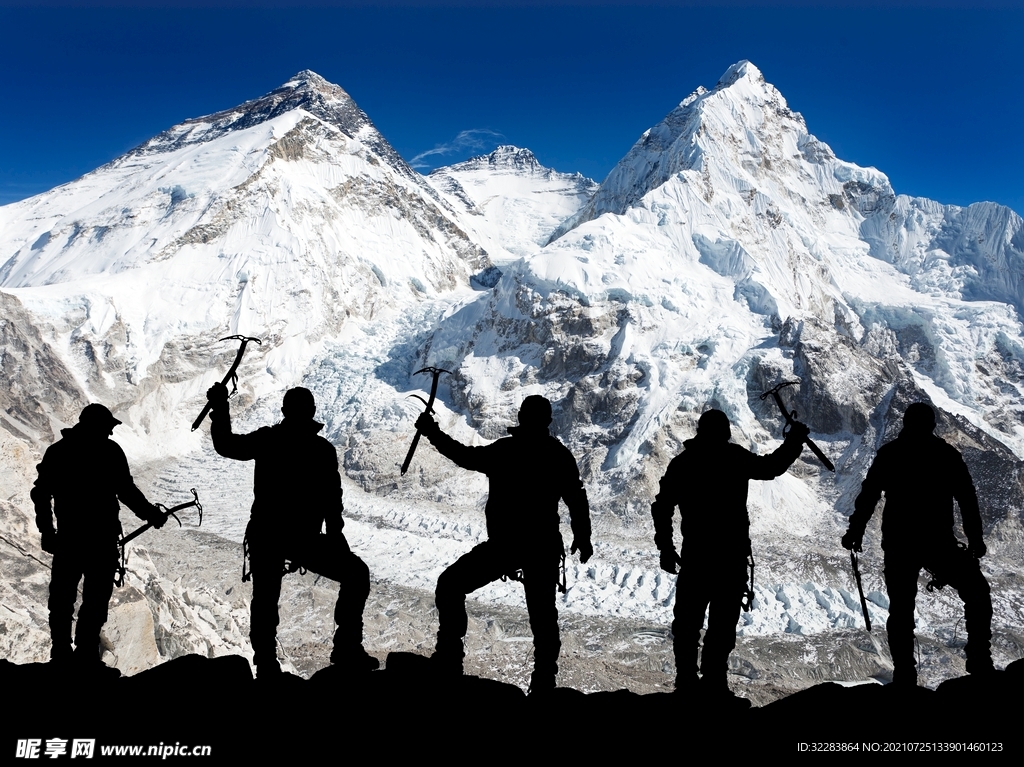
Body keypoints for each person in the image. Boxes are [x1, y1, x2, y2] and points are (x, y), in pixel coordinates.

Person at [414, 395, 592, 694]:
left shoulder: (506, 450)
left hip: (505, 546)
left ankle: (449, 660)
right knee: (544, 617)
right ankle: (544, 681)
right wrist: (583, 537)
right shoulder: (558, 455)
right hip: (542, 546)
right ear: (548, 421)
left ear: (521, 417)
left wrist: (432, 432)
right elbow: (576, 497)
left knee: (450, 585)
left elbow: (464, 456)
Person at [205, 382, 376, 678]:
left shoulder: (268, 440)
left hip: (268, 534)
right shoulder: (322, 450)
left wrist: (220, 407)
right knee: (355, 574)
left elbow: (226, 445)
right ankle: (347, 648)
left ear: (285, 411)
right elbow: (332, 500)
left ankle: (266, 662)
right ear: (312, 412)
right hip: (302, 539)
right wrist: (336, 537)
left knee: (265, 597)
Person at [651, 409, 807, 700]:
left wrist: (666, 548)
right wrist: (794, 442)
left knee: (687, 625)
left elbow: (662, 506)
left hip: (696, 558)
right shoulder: (735, 458)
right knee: (722, 626)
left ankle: (686, 682)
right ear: (725, 432)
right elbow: (772, 466)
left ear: (700, 430)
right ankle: (715, 684)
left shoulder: (684, 463)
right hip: (730, 559)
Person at [842, 402, 993, 685]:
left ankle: (904, 674)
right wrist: (975, 540)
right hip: (939, 543)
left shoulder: (890, 454)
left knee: (901, 609)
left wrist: (856, 530)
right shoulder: (946, 455)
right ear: (932, 425)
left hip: (900, 543)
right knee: (977, 592)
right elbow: (967, 500)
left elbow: (869, 494)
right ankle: (980, 659)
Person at [31, 404, 166, 673]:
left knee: (62, 597)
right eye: (108, 427)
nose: (111, 432)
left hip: (69, 539)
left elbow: (41, 494)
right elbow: (126, 491)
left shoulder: (59, 452)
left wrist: (47, 530)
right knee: (95, 599)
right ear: (98, 426)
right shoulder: (109, 452)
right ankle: (86, 653)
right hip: (101, 541)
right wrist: (151, 514)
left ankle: (61, 652)